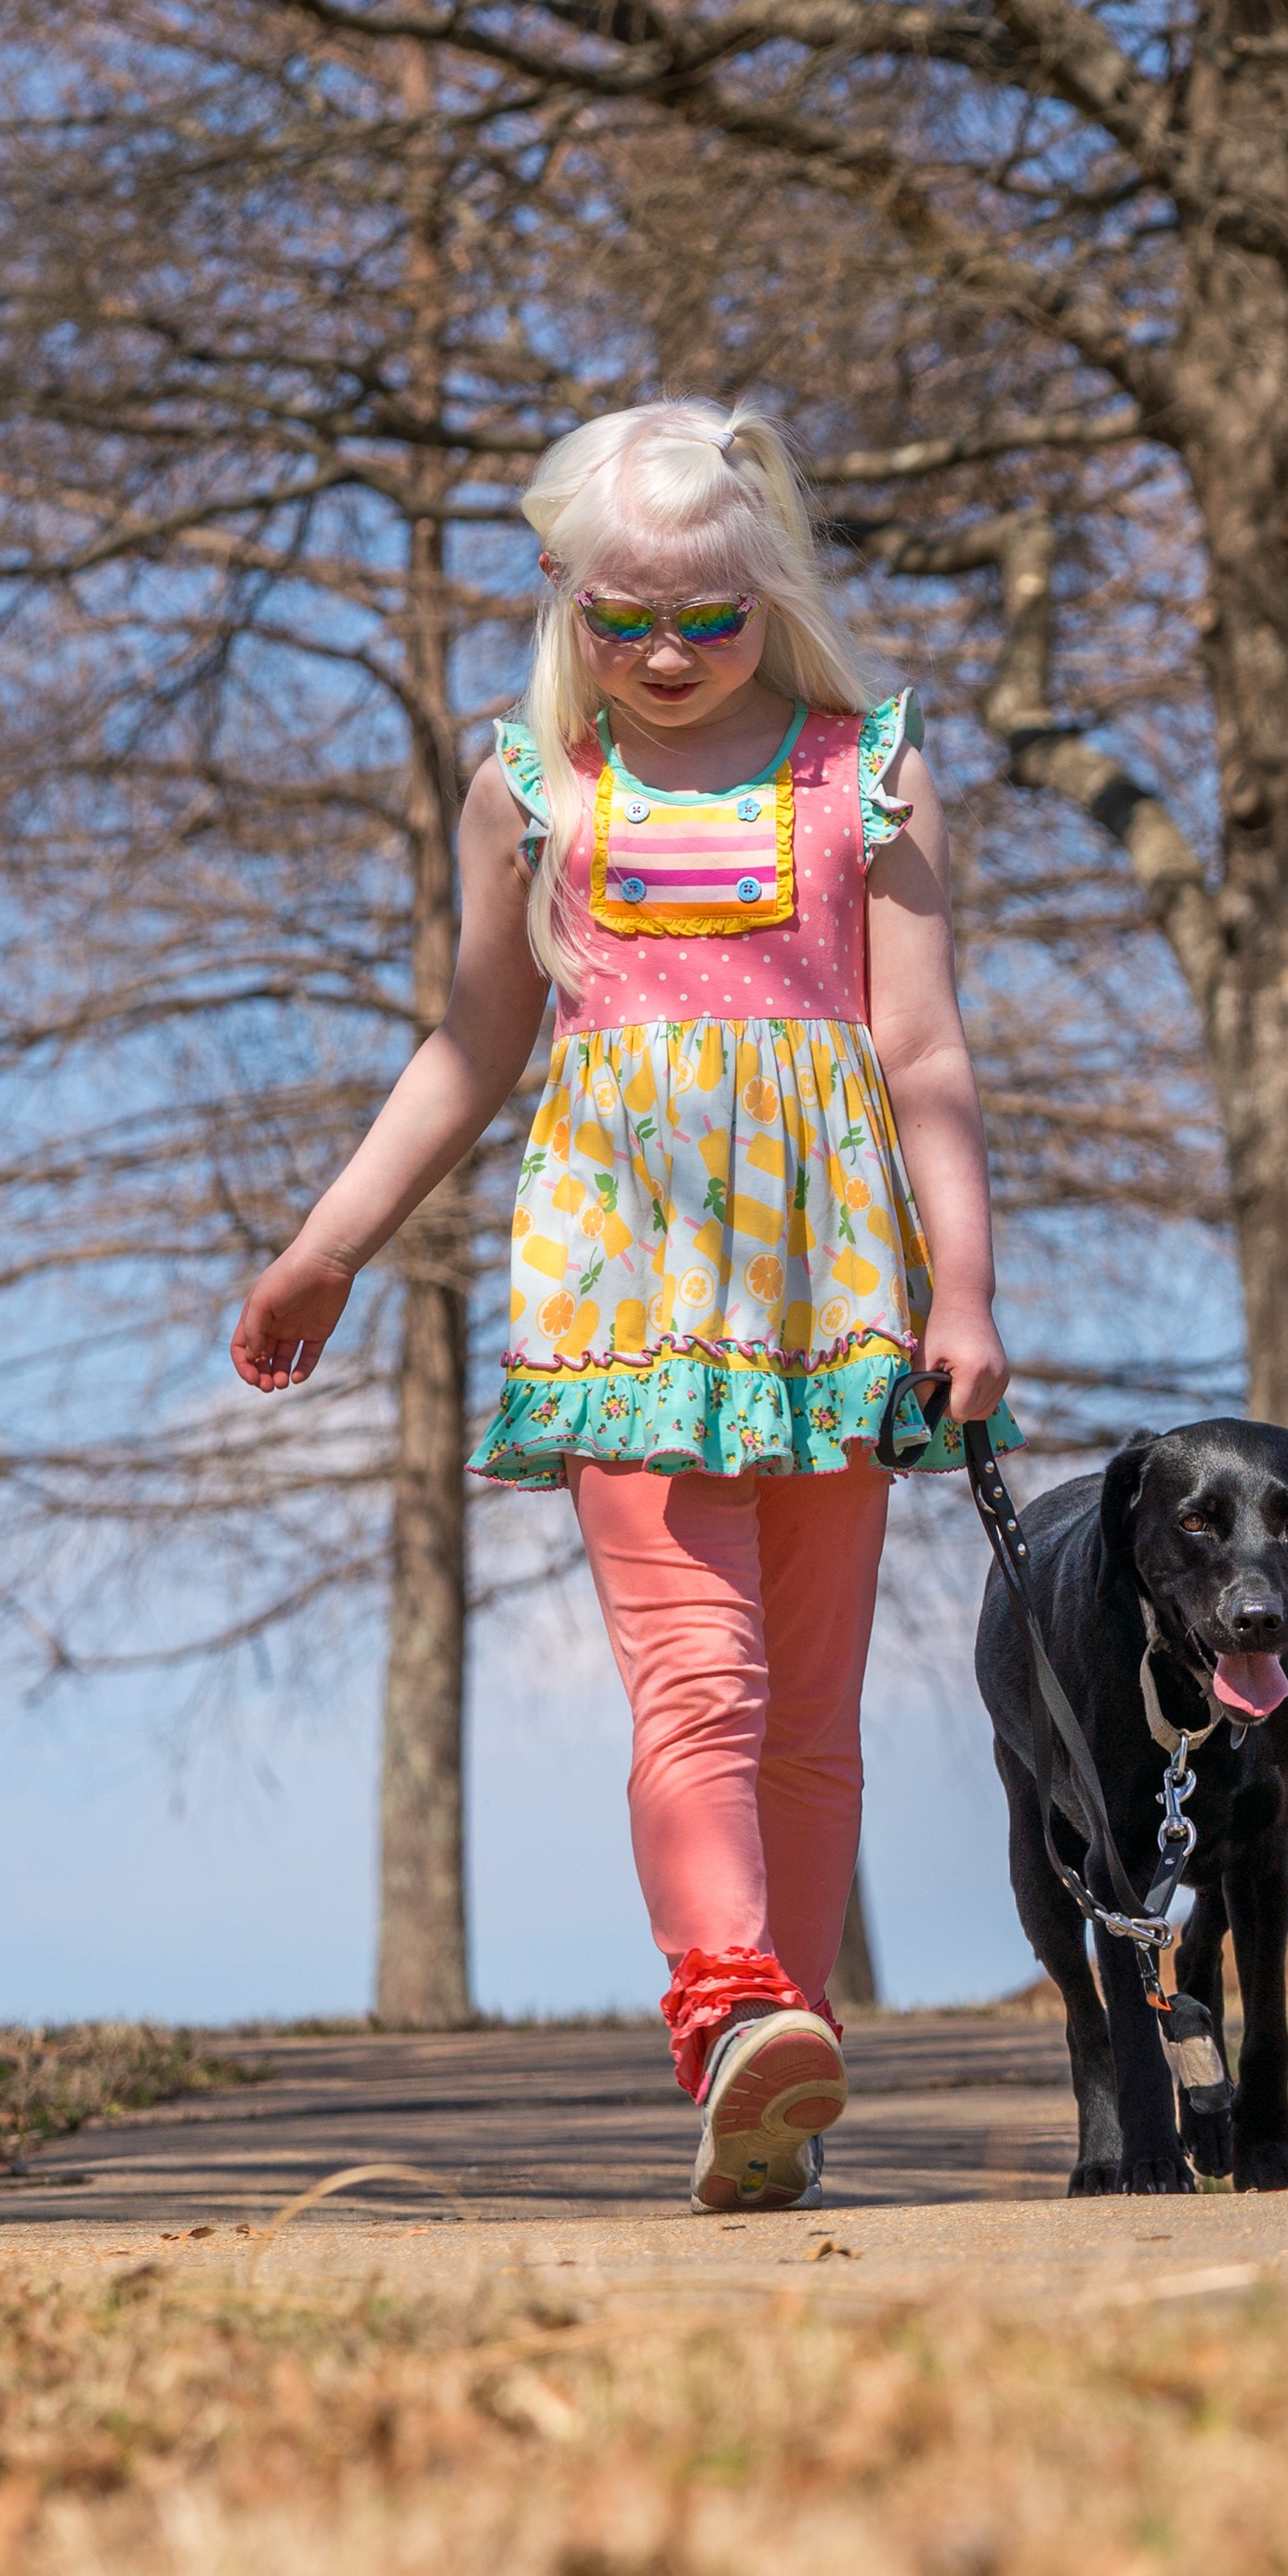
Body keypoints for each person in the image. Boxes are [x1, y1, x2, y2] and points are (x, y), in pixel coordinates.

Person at [229, 399, 1011, 2210]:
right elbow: (475, 1040)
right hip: (624, 1283)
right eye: (621, 618)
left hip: (835, 1291)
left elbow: (922, 1043)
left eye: (706, 618)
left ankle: (781, 2063)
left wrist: (963, 1285)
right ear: (566, 600)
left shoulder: (866, 770)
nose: (664, 654)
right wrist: (332, 1237)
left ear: (770, 593)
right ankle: (728, 2004)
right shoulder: (532, 783)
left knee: (811, 1713)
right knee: (700, 1678)